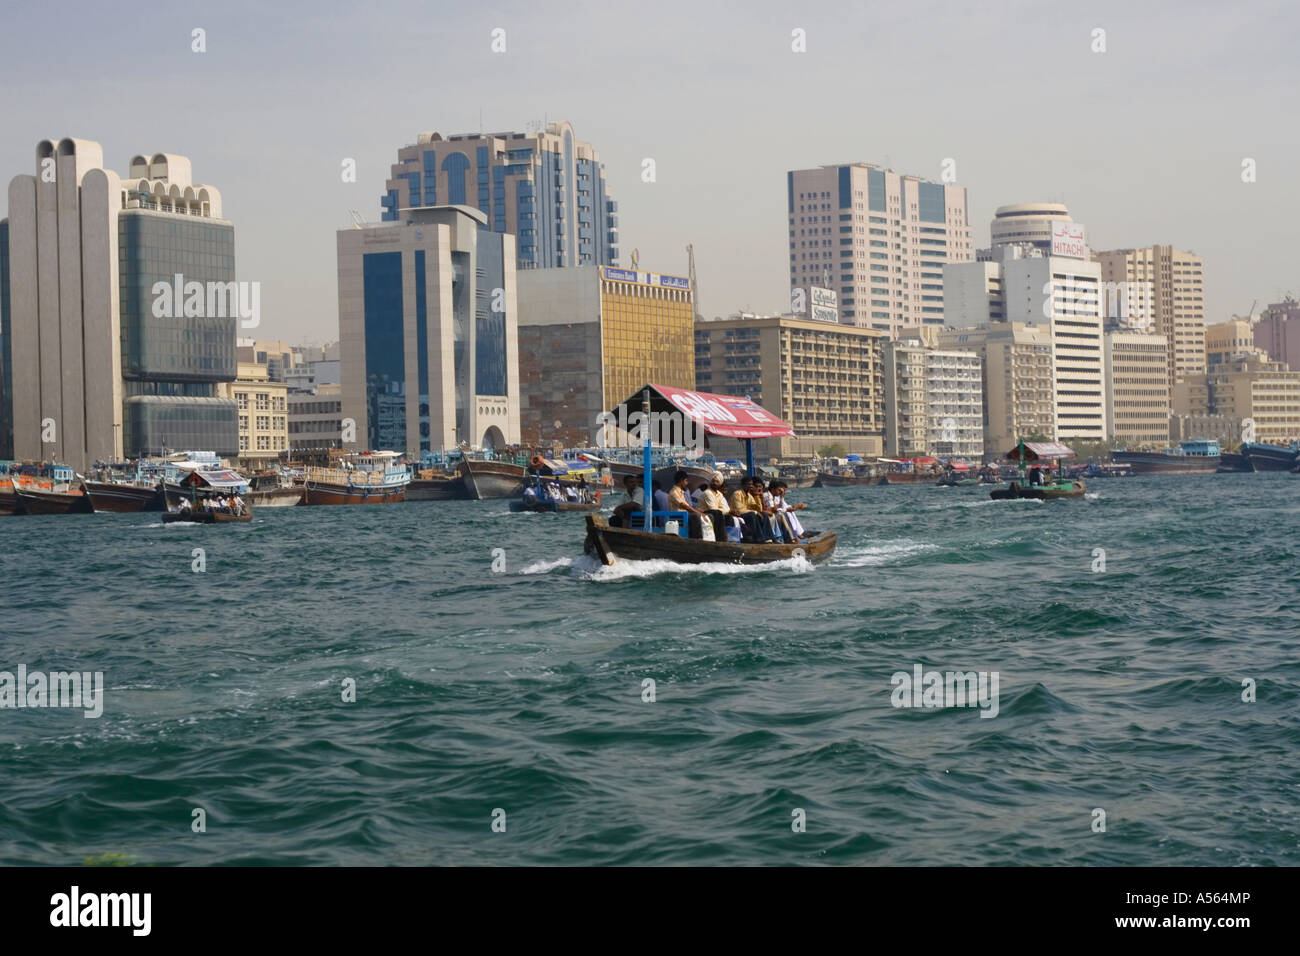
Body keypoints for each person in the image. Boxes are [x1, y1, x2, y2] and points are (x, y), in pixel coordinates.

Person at [730, 476, 774, 542]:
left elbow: (758, 508)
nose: (750, 486)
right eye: (748, 484)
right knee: (752, 514)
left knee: (763, 514)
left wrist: (758, 496)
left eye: (751, 484)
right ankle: (759, 539)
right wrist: (755, 512)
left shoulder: (749, 495)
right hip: (737, 514)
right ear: (743, 485)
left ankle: (768, 538)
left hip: (747, 514)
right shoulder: (737, 494)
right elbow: (739, 510)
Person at [667, 470, 707, 538]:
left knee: (708, 515)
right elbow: (686, 507)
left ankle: (706, 536)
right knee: (696, 517)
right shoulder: (674, 492)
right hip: (678, 518)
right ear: (681, 481)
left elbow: (688, 506)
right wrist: (698, 513)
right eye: (686, 481)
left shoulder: (681, 492)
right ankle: (696, 539)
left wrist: (700, 512)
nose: (687, 483)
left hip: (684, 516)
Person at [697, 471, 731, 540]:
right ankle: (721, 539)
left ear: (720, 484)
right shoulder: (707, 493)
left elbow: (724, 508)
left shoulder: (719, 494)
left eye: (717, 482)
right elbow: (713, 508)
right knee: (718, 513)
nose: (715, 483)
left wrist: (728, 512)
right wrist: (727, 511)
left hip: (714, 513)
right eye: (713, 482)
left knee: (729, 517)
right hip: (704, 513)